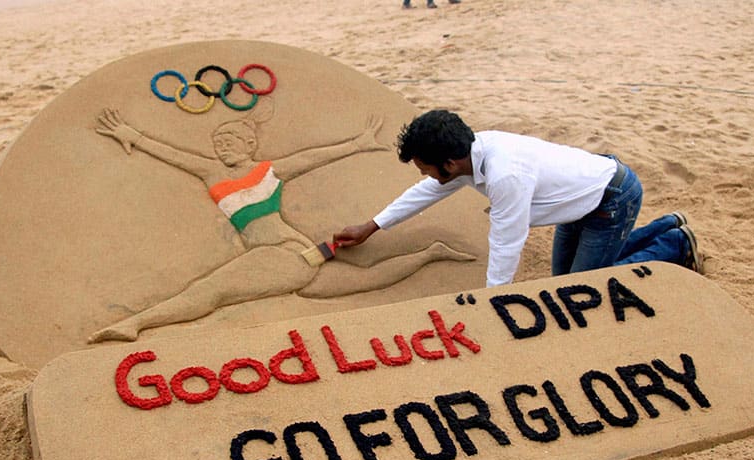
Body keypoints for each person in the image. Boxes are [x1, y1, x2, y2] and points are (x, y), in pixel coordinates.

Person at [88, 107, 473, 343]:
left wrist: (356, 144)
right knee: (369, 279)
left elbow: (313, 157)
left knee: (210, 292)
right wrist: (133, 136)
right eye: (219, 140)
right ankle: (432, 253)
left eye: (232, 139)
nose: (223, 145)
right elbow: (173, 155)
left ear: (250, 145)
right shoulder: (209, 173)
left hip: (284, 254)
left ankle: (135, 324)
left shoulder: (267, 171)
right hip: (302, 257)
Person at [333, 109, 702, 287]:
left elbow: (507, 243)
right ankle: (666, 224)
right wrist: (371, 227)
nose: (423, 174)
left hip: (610, 199)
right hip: (578, 203)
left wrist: (494, 302)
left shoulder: (504, 174)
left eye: (425, 167)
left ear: (449, 162)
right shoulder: (467, 152)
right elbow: (426, 192)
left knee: (576, 289)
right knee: (565, 277)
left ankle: (674, 243)